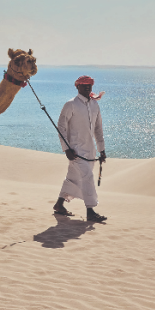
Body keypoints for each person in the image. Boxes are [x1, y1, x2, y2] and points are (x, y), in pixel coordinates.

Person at [53, 75, 107, 222]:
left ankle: (59, 205)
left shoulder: (95, 105)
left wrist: (102, 150)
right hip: (75, 152)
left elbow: (98, 129)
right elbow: (61, 127)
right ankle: (90, 211)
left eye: (89, 85)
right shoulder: (70, 104)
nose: (87, 87)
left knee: (72, 178)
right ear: (77, 87)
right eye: (83, 85)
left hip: (90, 152)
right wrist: (66, 149)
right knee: (87, 177)